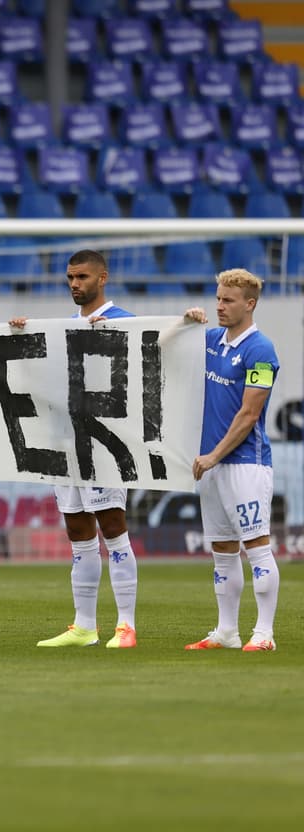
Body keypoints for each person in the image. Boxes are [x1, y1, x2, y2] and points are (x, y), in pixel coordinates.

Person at [10, 250, 140, 649]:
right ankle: (84, 626)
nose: (74, 284)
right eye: (69, 277)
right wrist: (19, 337)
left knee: (113, 528)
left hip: (104, 444)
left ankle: (126, 625)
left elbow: (150, 364)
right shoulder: (64, 328)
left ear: (103, 278)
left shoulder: (126, 323)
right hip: (67, 444)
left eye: (82, 276)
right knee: (78, 532)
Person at [182, 270, 281, 652]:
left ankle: (264, 633)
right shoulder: (209, 340)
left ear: (249, 304)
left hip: (245, 464)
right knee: (222, 550)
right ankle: (226, 632)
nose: (219, 306)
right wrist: (185, 321)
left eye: (228, 300)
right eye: (218, 298)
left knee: (256, 547)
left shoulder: (261, 350)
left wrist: (213, 456)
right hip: (210, 465)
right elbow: (164, 347)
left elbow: (249, 415)